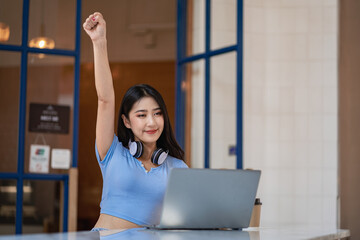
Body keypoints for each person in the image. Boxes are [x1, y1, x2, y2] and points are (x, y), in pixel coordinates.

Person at [83, 12, 188, 231]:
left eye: (157, 113)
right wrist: (99, 42)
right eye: (141, 115)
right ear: (127, 121)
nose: (151, 122)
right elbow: (105, 99)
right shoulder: (112, 153)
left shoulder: (177, 169)